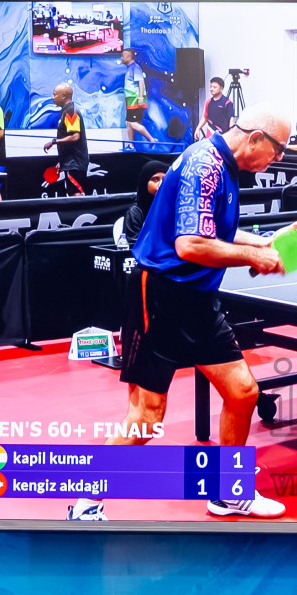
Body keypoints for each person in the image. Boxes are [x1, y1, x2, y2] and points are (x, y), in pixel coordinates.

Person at [131, 103, 297, 517]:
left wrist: (262, 243)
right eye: (277, 150)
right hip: (164, 297)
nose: (277, 160)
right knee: (148, 420)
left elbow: (213, 230)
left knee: (243, 393)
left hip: (199, 301)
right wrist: (253, 259)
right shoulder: (205, 165)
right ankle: (84, 498)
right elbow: (190, 245)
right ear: (256, 137)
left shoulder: (224, 166)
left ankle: (228, 491)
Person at [114, 160, 171, 448]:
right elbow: (140, 249)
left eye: (165, 178)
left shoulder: (173, 210)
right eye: (154, 179)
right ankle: (131, 421)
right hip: (142, 291)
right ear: (144, 183)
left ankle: (134, 425)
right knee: (136, 367)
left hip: (167, 296)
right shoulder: (135, 213)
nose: (160, 184)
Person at [41, 82, 88, 195]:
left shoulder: (71, 112)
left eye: (54, 94)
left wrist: (54, 142)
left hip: (75, 164)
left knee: (76, 193)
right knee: (72, 192)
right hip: (69, 162)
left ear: (63, 96)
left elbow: (75, 136)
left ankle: (79, 212)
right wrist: (62, 161)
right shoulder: (66, 111)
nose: (52, 98)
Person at [121, 48, 156, 142]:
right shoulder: (129, 68)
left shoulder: (135, 68)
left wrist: (140, 98)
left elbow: (141, 82)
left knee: (133, 123)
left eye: (123, 56)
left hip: (135, 99)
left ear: (129, 56)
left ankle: (151, 139)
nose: (121, 58)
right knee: (129, 123)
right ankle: (131, 145)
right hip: (131, 100)